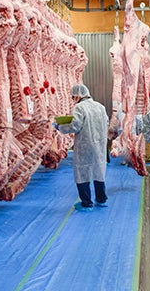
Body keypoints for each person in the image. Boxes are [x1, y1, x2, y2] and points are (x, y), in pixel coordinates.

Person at [54, 84, 110, 212]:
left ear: (78, 95)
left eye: (74, 96)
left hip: (85, 146)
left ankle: (86, 202)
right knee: (99, 173)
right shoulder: (100, 106)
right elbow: (106, 122)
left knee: (82, 173)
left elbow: (75, 126)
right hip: (100, 145)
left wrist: (60, 127)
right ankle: (101, 200)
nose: (73, 98)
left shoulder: (79, 108)